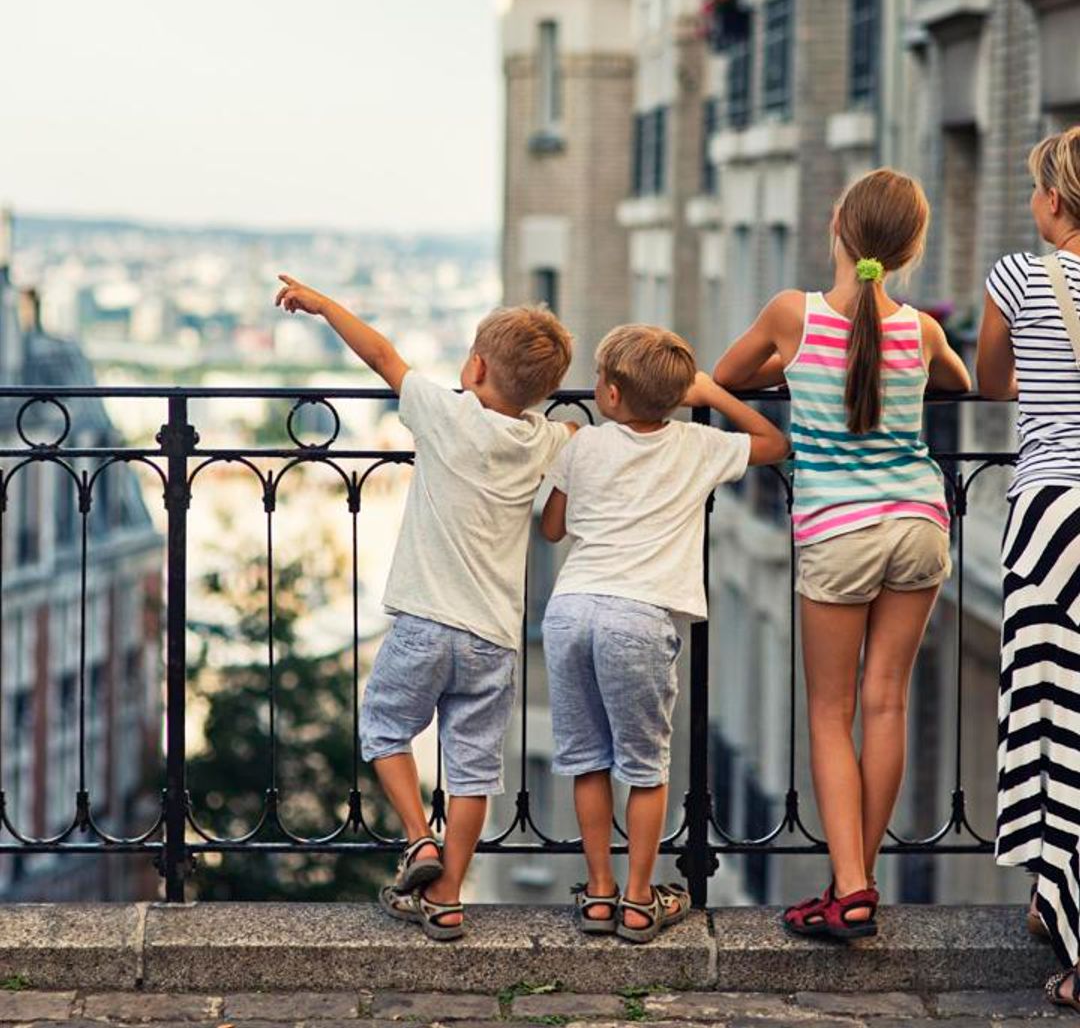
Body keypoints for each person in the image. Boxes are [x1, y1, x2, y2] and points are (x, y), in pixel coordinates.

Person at [276, 275, 575, 941]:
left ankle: (418, 838)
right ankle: (447, 900)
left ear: (474, 367)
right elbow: (565, 474)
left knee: (384, 729)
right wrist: (567, 430)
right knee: (472, 769)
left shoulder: (445, 411)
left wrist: (324, 305)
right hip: (493, 635)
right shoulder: (547, 441)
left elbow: (382, 355)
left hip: (422, 619)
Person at [713, 168, 971, 939]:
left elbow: (726, 378)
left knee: (832, 711)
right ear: (911, 248)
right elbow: (956, 380)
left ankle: (850, 886)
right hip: (920, 523)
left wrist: (793, 366)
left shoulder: (792, 315)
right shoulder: (920, 328)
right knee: (887, 699)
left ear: (837, 225)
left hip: (837, 530)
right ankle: (860, 881)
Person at [540, 324, 788, 943]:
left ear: (614, 395)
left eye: (599, 379)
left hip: (570, 609)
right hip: (638, 617)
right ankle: (638, 897)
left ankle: (597, 892)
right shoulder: (698, 445)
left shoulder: (583, 445)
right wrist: (712, 393)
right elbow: (773, 442)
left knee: (586, 760)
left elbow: (551, 528)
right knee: (645, 768)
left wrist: (569, 459)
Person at [977, 126, 1080, 1012]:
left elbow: (991, 376)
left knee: (1054, 715)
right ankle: (1061, 907)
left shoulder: (1019, 276)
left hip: (1052, 517)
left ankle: (1068, 921)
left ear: (1055, 199)